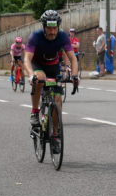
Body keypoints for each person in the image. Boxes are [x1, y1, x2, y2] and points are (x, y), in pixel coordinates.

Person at [24, 10, 79, 152]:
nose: (52, 31)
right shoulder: (35, 37)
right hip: (38, 65)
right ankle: (35, 112)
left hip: (53, 67)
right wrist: (31, 75)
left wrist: (74, 75)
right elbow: (27, 59)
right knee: (40, 80)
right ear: (43, 26)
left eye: (55, 28)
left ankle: (55, 135)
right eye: (49, 28)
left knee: (58, 100)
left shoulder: (62, 36)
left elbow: (72, 58)